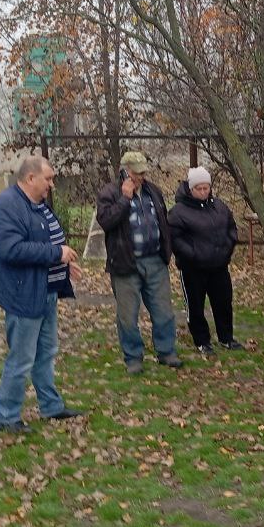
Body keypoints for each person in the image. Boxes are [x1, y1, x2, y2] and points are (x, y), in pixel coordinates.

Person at [0, 155, 85, 433]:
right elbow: (11, 249)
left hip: (46, 291)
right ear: (30, 178)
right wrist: (56, 253)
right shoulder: (7, 205)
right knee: (22, 357)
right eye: (48, 179)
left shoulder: (37, 205)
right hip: (23, 293)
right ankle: (7, 416)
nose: (51, 184)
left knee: (46, 352)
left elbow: (44, 241)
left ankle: (51, 406)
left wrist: (63, 264)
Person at [95, 150, 182, 374]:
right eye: (136, 173)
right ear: (125, 172)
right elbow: (106, 221)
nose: (141, 177)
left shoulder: (154, 191)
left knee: (163, 310)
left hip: (155, 261)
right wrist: (125, 199)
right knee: (127, 315)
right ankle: (133, 357)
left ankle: (166, 351)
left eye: (143, 172)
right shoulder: (110, 193)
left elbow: (163, 221)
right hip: (125, 263)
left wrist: (167, 250)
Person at [169, 166, 245, 354]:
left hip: (219, 266)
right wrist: (193, 255)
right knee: (195, 306)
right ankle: (202, 341)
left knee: (223, 303)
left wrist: (227, 249)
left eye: (206, 188)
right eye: (199, 188)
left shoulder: (219, 206)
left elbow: (231, 228)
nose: (203, 192)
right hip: (193, 268)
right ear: (191, 189)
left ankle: (226, 338)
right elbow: (175, 239)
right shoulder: (178, 212)